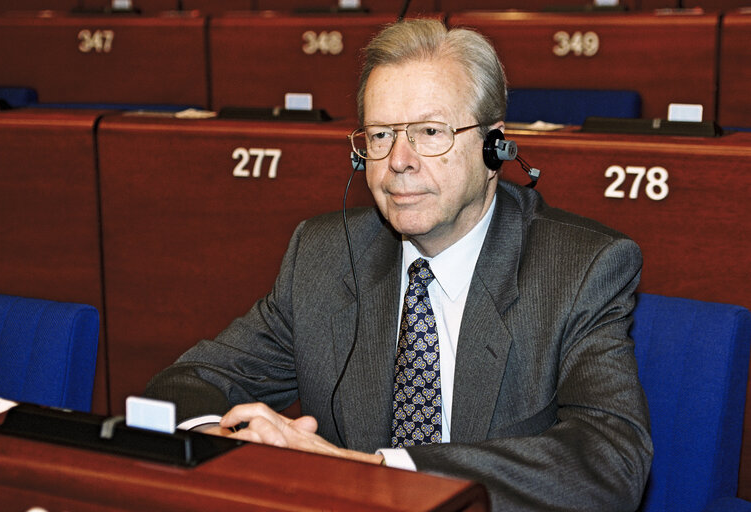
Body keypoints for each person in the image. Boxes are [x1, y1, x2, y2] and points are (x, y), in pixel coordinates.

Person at [145, 18, 652, 510]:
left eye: (430, 132)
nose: (399, 161)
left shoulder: (581, 268)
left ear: (494, 146)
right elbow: (187, 383)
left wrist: (376, 472)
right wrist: (216, 438)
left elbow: (609, 463)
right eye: (381, 135)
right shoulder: (324, 257)